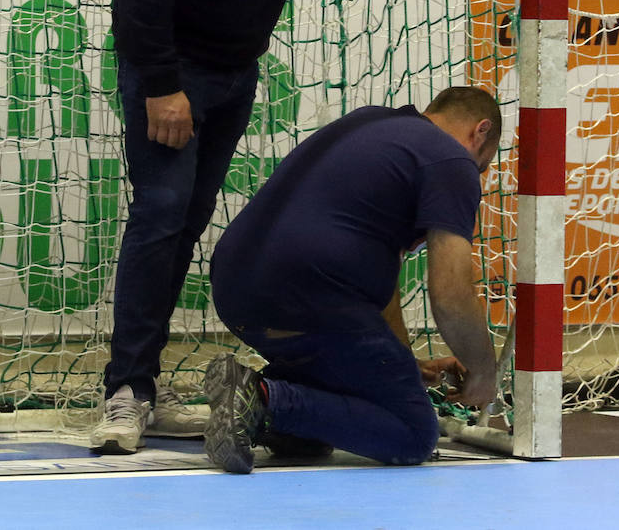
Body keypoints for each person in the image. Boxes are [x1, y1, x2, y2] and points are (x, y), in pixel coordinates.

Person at [90, 0, 541, 454]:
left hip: (235, 72)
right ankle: (127, 392)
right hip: (173, 74)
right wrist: (162, 83)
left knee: (188, 217)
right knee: (161, 215)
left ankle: (204, 390)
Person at [204, 86, 502, 473]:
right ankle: (263, 398)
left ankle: (259, 402)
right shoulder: (451, 159)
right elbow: (451, 293)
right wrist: (482, 370)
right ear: (480, 132)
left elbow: (382, 274)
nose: (477, 172)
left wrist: (402, 362)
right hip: (314, 293)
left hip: (236, 290)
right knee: (412, 434)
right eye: (483, 163)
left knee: (316, 437)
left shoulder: (372, 122)